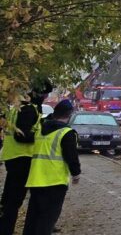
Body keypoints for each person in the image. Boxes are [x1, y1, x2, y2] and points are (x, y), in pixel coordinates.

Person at [0, 76, 52, 235]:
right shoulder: (29, 109)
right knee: (13, 202)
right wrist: (41, 137)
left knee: (8, 200)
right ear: (41, 94)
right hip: (22, 159)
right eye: (46, 94)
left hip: (13, 157)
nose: (46, 97)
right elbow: (21, 136)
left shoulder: (18, 107)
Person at [22, 99, 80, 235]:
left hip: (35, 180)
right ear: (69, 115)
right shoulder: (67, 133)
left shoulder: (40, 130)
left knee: (32, 218)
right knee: (47, 220)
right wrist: (76, 174)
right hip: (55, 182)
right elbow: (71, 156)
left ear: (55, 113)